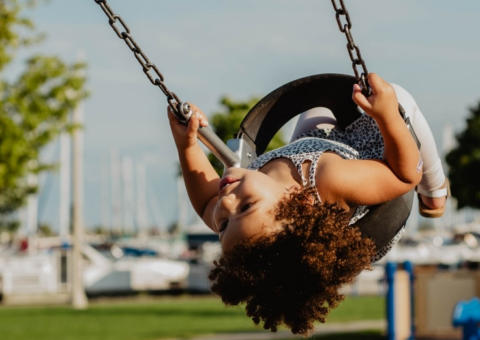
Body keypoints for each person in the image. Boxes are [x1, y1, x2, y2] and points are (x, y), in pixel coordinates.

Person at [167, 73, 448, 335]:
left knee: (320, 105)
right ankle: (435, 190)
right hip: (375, 156)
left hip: (314, 144)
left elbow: (206, 203)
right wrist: (387, 117)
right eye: (246, 206)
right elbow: (404, 175)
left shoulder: (250, 216)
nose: (226, 202)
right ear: (299, 204)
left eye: (224, 224)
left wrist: (187, 145)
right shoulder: (331, 179)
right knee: (400, 100)